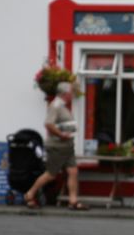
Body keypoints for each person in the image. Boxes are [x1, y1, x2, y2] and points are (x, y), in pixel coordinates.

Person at [23, 81, 89, 210]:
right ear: (65, 93)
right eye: (71, 93)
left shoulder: (63, 106)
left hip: (67, 146)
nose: (73, 95)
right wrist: (61, 135)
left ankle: (73, 201)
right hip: (57, 146)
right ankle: (29, 194)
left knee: (73, 171)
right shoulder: (56, 106)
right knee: (51, 174)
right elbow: (48, 124)